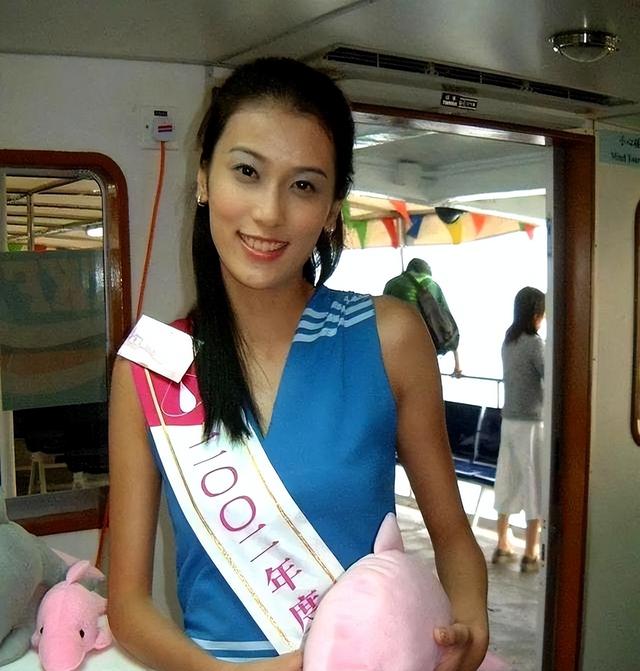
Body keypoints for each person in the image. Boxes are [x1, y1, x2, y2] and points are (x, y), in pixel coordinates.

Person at [108, 57, 488, 671]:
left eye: (304, 185)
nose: (269, 212)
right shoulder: (150, 370)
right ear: (203, 179)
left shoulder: (387, 337)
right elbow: (127, 606)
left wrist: (470, 629)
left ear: (333, 208)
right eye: (247, 172)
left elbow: (452, 538)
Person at [492, 286, 545, 573]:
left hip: (509, 422)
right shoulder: (535, 344)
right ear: (536, 314)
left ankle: (502, 543)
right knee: (533, 482)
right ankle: (531, 551)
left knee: (508, 478)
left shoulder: (508, 341)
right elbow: (549, 375)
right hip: (531, 424)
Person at [383, 258, 462, 377]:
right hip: (427, 344)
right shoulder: (433, 286)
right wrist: (457, 365)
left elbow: (384, 315)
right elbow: (448, 323)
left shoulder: (392, 284)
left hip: (399, 343)